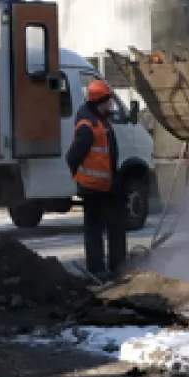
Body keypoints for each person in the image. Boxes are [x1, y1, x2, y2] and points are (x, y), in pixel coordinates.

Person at [66, 78, 126, 279]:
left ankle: (117, 266)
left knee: (116, 226)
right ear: (98, 102)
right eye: (108, 101)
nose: (110, 104)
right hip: (93, 189)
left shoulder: (102, 122)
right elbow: (72, 156)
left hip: (107, 187)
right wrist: (81, 177)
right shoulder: (87, 127)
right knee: (95, 231)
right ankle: (97, 270)